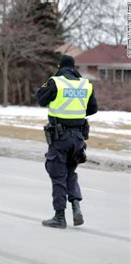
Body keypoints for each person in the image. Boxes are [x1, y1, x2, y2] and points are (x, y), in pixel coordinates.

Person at [36, 55, 97, 229]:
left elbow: (40, 98)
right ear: (74, 67)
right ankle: (76, 206)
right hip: (78, 138)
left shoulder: (56, 82)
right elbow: (93, 108)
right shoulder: (85, 84)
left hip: (60, 137)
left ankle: (59, 217)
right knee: (70, 172)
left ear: (59, 66)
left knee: (58, 175)